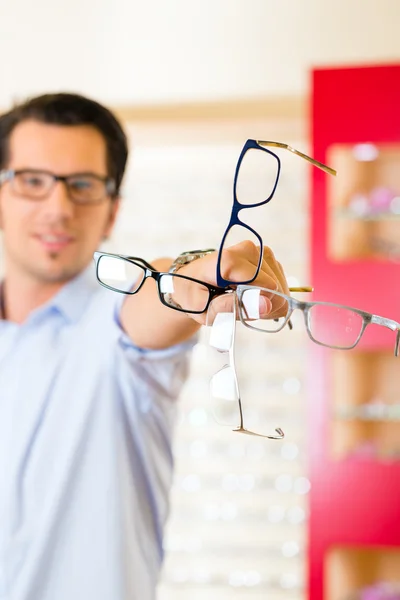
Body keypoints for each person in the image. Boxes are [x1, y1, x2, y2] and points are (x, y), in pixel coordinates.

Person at [0, 93, 289, 600]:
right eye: (32, 182)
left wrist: (203, 273)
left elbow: (160, 297)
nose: (58, 207)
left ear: (112, 211)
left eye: (83, 185)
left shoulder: (112, 321)